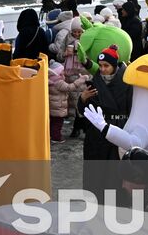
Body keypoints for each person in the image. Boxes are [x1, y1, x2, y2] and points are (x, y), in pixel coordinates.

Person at [79, 47, 132, 200]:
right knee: (95, 171)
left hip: (118, 130)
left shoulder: (127, 82)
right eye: (100, 65)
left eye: (106, 66)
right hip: (96, 134)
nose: (102, 69)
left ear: (114, 66)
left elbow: (133, 107)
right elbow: (86, 111)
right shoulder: (95, 81)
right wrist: (82, 98)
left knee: (115, 172)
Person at [47, 58, 80, 142]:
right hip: (59, 107)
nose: (63, 74)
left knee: (52, 123)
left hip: (52, 107)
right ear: (57, 73)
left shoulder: (50, 80)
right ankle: (56, 137)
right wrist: (80, 80)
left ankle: (51, 135)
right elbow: (69, 87)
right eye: (62, 72)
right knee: (58, 124)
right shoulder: (59, 82)